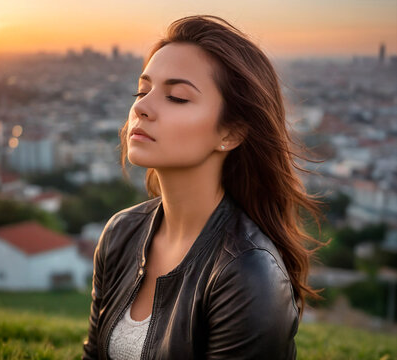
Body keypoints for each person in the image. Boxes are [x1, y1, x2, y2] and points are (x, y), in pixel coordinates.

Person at [82, 15, 327, 360]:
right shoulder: (122, 232)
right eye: (142, 90)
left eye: (177, 97)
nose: (140, 107)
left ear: (231, 133)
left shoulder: (247, 272)